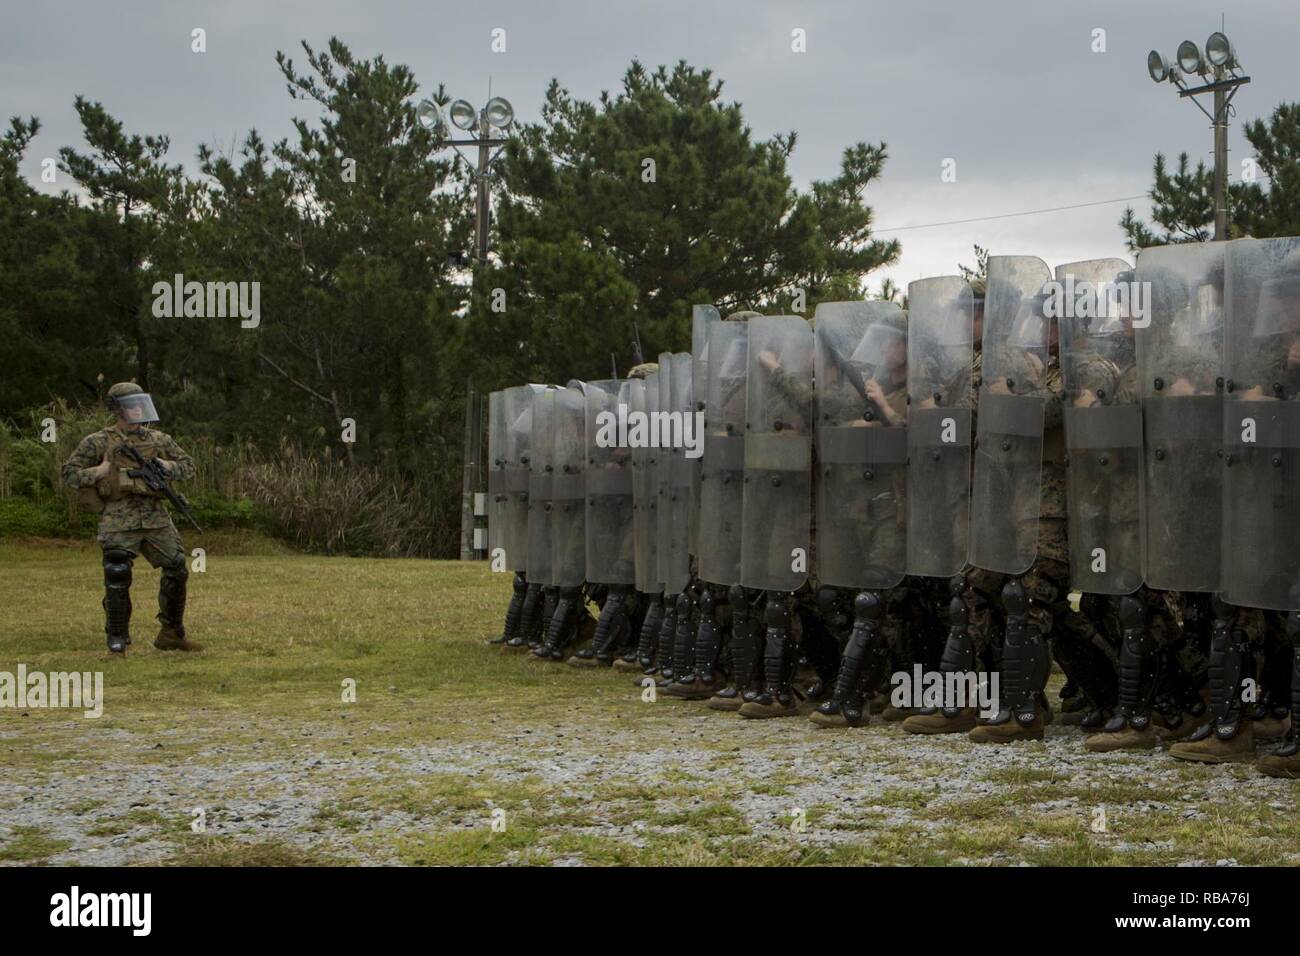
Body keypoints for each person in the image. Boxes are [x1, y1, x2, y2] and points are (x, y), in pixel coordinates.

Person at [61, 382, 200, 655]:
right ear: (117, 408)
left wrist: (168, 466)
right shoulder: (98, 441)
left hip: (155, 515)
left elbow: (189, 466)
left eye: (140, 403)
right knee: (117, 572)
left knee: (177, 568)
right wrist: (99, 472)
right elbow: (69, 474)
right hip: (118, 516)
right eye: (131, 404)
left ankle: (171, 633)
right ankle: (117, 639)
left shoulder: (158, 439)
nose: (137, 409)